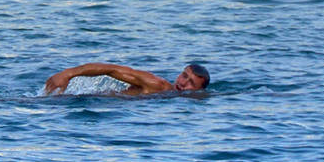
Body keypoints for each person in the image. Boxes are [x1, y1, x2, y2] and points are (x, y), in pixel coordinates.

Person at [44, 62, 210, 96]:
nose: (182, 83)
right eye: (184, 76)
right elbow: (112, 69)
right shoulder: (159, 85)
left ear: (199, 92)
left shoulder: (170, 95)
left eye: (191, 83)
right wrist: (68, 73)